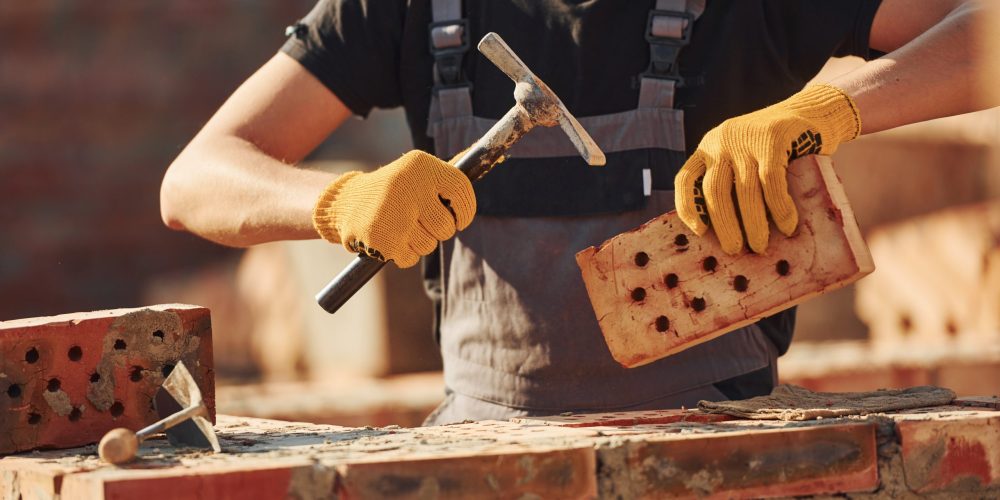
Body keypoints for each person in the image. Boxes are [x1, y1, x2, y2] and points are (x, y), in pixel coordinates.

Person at [160, 0, 997, 425]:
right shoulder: (411, 10)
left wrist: (833, 109)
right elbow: (194, 180)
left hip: (727, 449)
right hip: (486, 457)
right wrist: (335, 201)